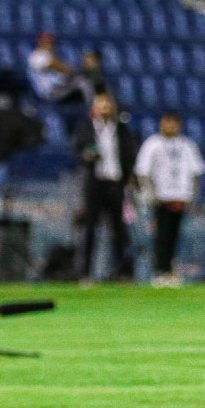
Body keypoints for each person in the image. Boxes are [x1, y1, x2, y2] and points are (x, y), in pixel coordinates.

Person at [134, 111, 205, 287]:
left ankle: (170, 269)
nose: (171, 126)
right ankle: (160, 270)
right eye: (168, 122)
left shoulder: (187, 145)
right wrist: (150, 194)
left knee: (174, 234)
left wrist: (192, 195)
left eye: (174, 123)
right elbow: (143, 172)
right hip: (160, 197)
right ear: (161, 124)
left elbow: (196, 172)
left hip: (180, 196)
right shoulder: (152, 144)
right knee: (161, 235)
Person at [72, 92, 138, 282]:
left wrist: (128, 175)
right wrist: (86, 156)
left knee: (118, 229)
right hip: (94, 182)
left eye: (107, 105)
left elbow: (130, 152)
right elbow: (77, 150)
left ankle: (120, 272)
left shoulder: (121, 129)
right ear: (94, 108)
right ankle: (85, 272)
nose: (104, 109)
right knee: (90, 228)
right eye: (101, 105)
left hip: (115, 182)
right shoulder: (86, 128)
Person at [27, 33, 94, 105]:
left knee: (81, 81)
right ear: (39, 43)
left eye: (50, 43)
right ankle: (93, 106)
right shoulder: (37, 56)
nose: (49, 45)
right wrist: (83, 69)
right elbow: (64, 69)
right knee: (81, 81)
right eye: (45, 42)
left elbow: (64, 72)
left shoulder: (47, 55)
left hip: (54, 89)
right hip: (50, 92)